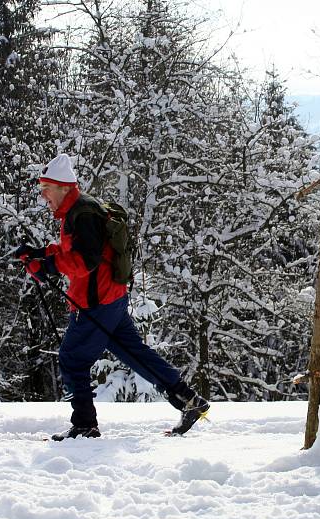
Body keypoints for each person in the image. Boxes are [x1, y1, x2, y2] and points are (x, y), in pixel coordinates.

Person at [13, 153, 209, 441]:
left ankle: (84, 425)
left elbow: (85, 260)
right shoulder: (79, 211)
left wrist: (46, 267)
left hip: (95, 302)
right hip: (110, 298)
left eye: (47, 189)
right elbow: (75, 251)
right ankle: (189, 400)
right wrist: (41, 254)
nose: (44, 196)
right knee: (134, 353)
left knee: (72, 359)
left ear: (64, 187)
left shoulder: (82, 213)